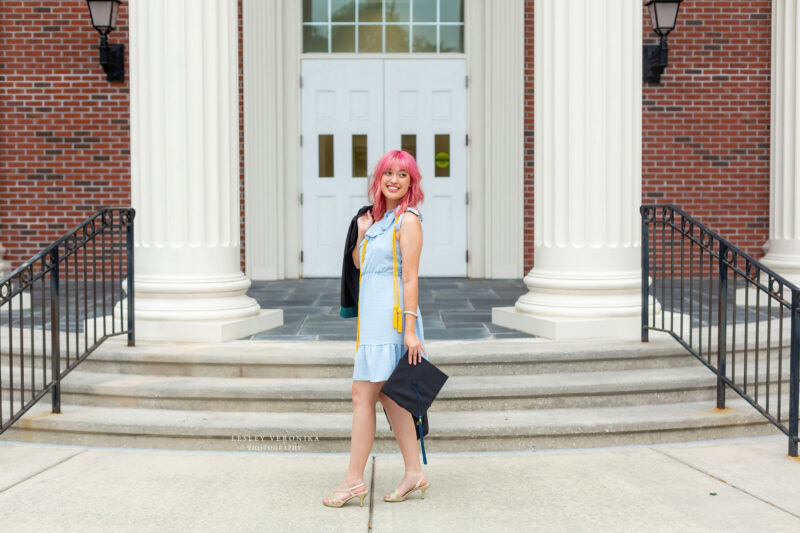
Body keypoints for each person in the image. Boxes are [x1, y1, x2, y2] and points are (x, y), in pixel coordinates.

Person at [322, 149, 431, 507]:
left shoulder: (408, 221)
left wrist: (411, 331)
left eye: (403, 174)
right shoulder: (377, 220)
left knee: (362, 395)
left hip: (393, 319)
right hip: (373, 317)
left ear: (411, 183)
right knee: (391, 397)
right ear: (379, 179)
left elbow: (411, 278)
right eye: (389, 173)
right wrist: (361, 234)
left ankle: (354, 480)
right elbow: (359, 263)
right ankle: (414, 471)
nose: (394, 180)